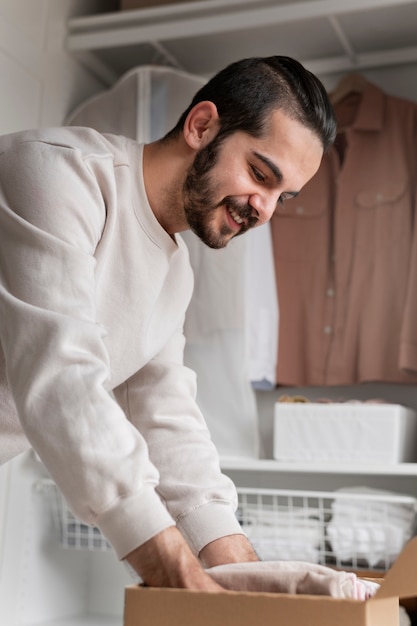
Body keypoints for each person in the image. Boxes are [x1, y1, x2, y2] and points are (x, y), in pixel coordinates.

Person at [0, 56, 336, 590]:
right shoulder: (58, 173)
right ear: (201, 126)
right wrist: (182, 577)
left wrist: (245, 573)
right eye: (260, 175)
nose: (265, 210)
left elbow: (163, 413)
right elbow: (62, 380)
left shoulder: (175, 272)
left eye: (282, 197)